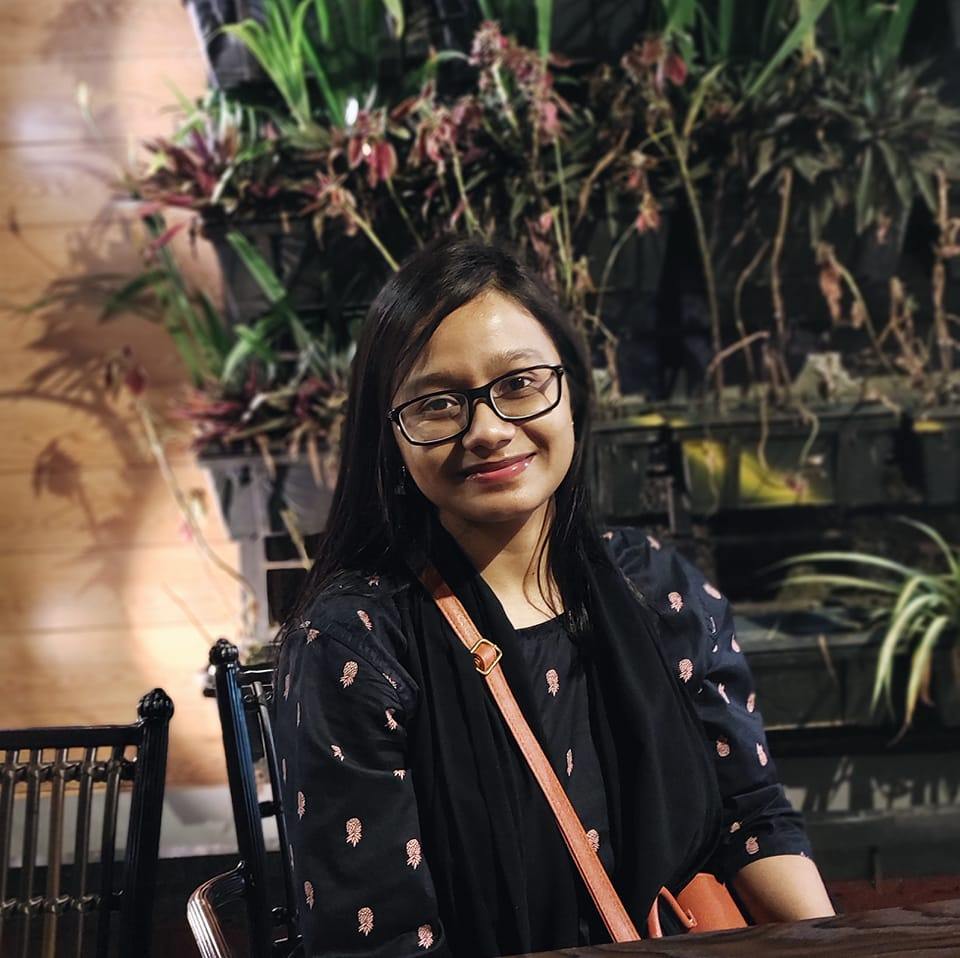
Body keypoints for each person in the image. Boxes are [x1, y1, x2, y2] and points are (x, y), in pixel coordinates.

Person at [273, 236, 834, 957]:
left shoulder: (657, 588)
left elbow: (752, 821)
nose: (487, 431)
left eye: (519, 384)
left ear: (570, 392)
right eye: (438, 403)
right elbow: (375, 940)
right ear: (391, 437)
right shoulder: (357, 645)